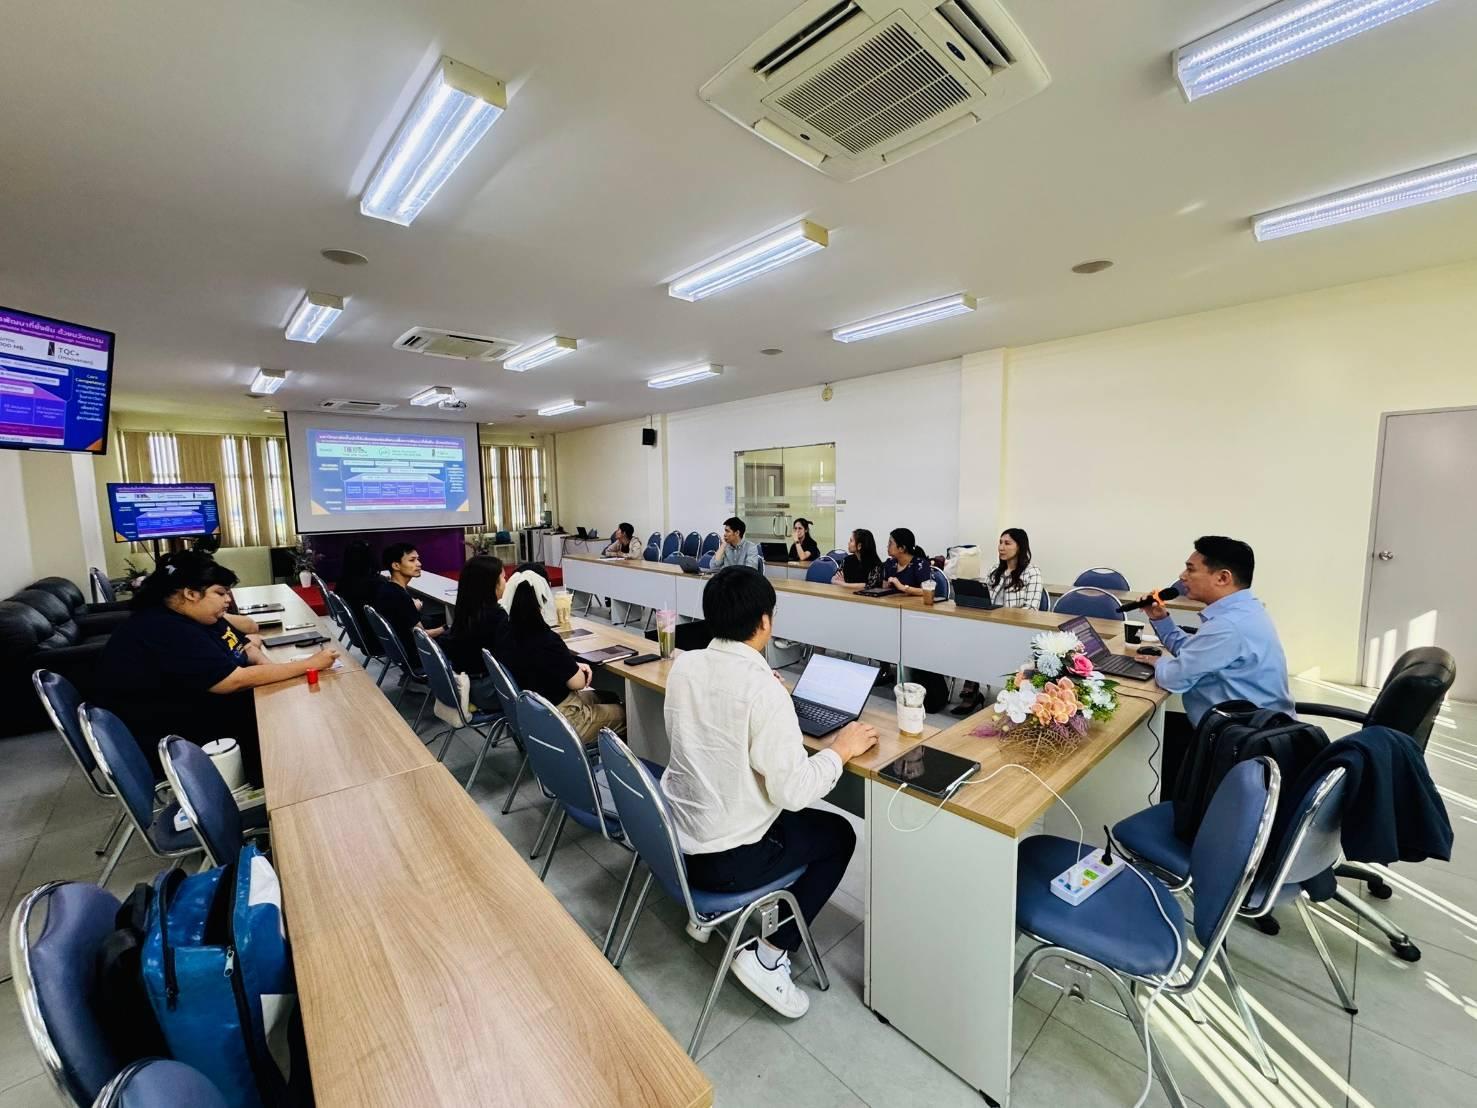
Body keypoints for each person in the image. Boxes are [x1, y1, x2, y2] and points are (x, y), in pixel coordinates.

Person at [662, 566, 878, 1018]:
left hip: (676, 840)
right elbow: (793, 792)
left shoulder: (685, 665)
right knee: (839, 835)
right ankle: (768, 956)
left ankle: (708, 919)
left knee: (789, 818)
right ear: (765, 621)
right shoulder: (763, 691)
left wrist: (772, 698)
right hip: (727, 860)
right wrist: (840, 749)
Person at [96, 552, 337, 782]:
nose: (228, 600)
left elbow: (245, 648)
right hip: (174, 738)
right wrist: (309, 664)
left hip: (198, 710)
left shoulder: (201, 616)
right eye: (220, 593)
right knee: (293, 724)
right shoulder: (165, 628)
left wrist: (271, 668)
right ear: (191, 594)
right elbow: (232, 681)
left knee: (289, 706)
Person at [1134, 536, 1294, 797]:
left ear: (1222, 577)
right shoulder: (1244, 611)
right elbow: (1197, 652)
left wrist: (1159, 661)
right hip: (1255, 729)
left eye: (1191, 569)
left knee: (1151, 741)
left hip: (1241, 743)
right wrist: (1161, 620)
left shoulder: (1228, 626)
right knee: (1162, 731)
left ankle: (1175, 812)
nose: (1182, 576)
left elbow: (1174, 678)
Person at [495, 578, 625, 743]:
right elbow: (577, 683)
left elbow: (549, 665)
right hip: (564, 717)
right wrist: (577, 669)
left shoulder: (506, 634)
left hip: (534, 712)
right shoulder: (547, 640)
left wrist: (571, 665)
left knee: (610, 696)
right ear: (540, 606)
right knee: (627, 714)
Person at [954, 528, 1043, 715]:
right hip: (990, 627)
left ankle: (1010, 697)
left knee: (981, 643)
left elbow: (1032, 609)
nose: (1001, 547)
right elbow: (985, 600)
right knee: (968, 640)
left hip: (1016, 630)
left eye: (1007, 543)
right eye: (1000, 543)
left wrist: (1005, 618)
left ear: (1020, 547)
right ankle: (972, 689)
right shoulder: (995, 570)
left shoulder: (1032, 572)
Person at [444, 555, 508, 710]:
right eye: (503, 577)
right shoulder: (495, 616)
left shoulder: (466, 611)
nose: (505, 582)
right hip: (488, 691)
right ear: (491, 584)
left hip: (466, 685)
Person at [371, 542, 444, 658]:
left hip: (398, 650)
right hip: (415, 654)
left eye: (418, 559)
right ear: (396, 566)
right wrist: (447, 627)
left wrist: (412, 608)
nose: (419, 564)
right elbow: (423, 636)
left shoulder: (386, 588)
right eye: (412, 560)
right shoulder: (401, 597)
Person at [881, 528, 933, 596]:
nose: (887, 546)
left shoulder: (920, 565)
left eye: (890, 543)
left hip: (914, 602)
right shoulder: (890, 563)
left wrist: (902, 587)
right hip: (894, 601)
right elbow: (884, 587)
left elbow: (928, 591)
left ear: (902, 548)